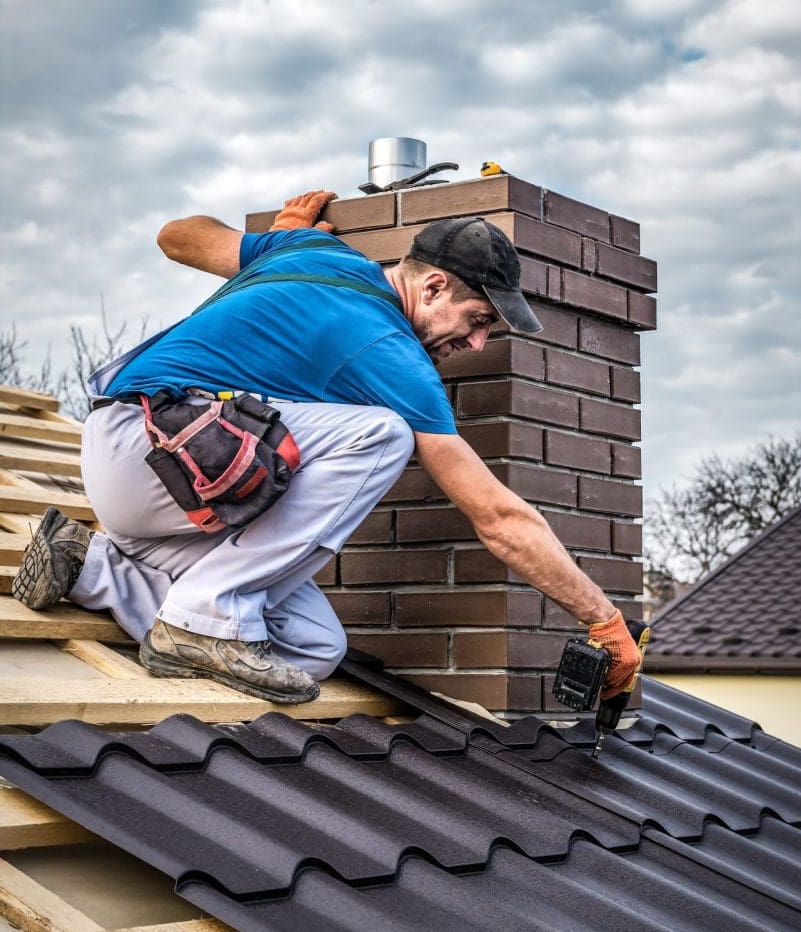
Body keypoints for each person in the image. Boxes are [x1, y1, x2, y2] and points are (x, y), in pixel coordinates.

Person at [13, 190, 640, 705]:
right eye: (478, 321)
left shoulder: (307, 247)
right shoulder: (392, 354)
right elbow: (497, 518)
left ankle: (92, 568)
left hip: (160, 485)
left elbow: (176, 234)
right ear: (432, 289)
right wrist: (603, 621)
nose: (478, 345)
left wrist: (270, 244)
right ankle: (201, 616)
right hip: (150, 444)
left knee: (313, 647)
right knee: (382, 434)